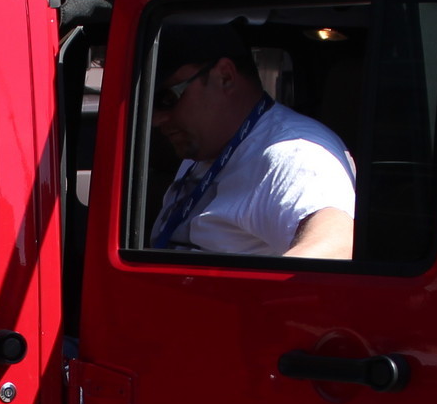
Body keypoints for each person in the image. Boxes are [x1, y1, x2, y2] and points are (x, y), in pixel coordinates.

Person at [147, 21, 355, 258]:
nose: (156, 119)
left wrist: (254, 296)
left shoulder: (295, 153)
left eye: (166, 98)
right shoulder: (208, 145)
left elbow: (338, 246)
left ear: (225, 77)